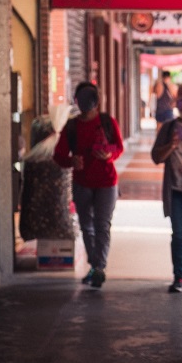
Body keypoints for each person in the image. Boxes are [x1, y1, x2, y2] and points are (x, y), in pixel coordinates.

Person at [53, 82, 124, 289]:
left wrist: (110, 155)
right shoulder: (72, 126)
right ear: (77, 101)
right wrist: (71, 161)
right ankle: (95, 266)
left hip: (106, 182)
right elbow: (58, 155)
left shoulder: (107, 122)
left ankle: (99, 267)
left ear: (96, 101)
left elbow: (119, 147)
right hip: (82, 183)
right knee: (87, 227)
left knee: (102, 225)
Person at [151, 83, 182, 293]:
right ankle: (179, 276)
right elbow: (155, 157)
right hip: (177, 191)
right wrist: (170, 146)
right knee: (179, 235)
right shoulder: (169, 127)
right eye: (181, 100)